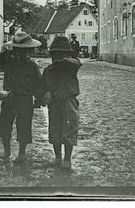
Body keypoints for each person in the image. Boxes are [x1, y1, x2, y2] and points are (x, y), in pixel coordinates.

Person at [0, 31, 45, 163]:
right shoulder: (8, 62)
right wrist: (9, 51)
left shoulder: (32, 65)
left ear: (29, 50)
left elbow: (38, 83)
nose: (20, 53)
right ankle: (7, 151)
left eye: (23, 50)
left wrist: (39, 99)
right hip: (9, 98)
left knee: (24, 126)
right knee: (5, 125)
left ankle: (22, 153)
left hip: (25, 99)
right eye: (17, 50)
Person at [41, 36, 82, 170]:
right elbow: (42, 86)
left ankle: (67, 159)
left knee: (69, 130)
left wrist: (63, 60)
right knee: (55, 130)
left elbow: (77, 63)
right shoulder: (48, 70)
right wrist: (44, 94)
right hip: (54, 103)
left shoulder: (71, 67)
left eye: (61, 54)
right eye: (55, 54)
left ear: (67, 55)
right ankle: (58, 157)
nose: (57, 58)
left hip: (69, 102)